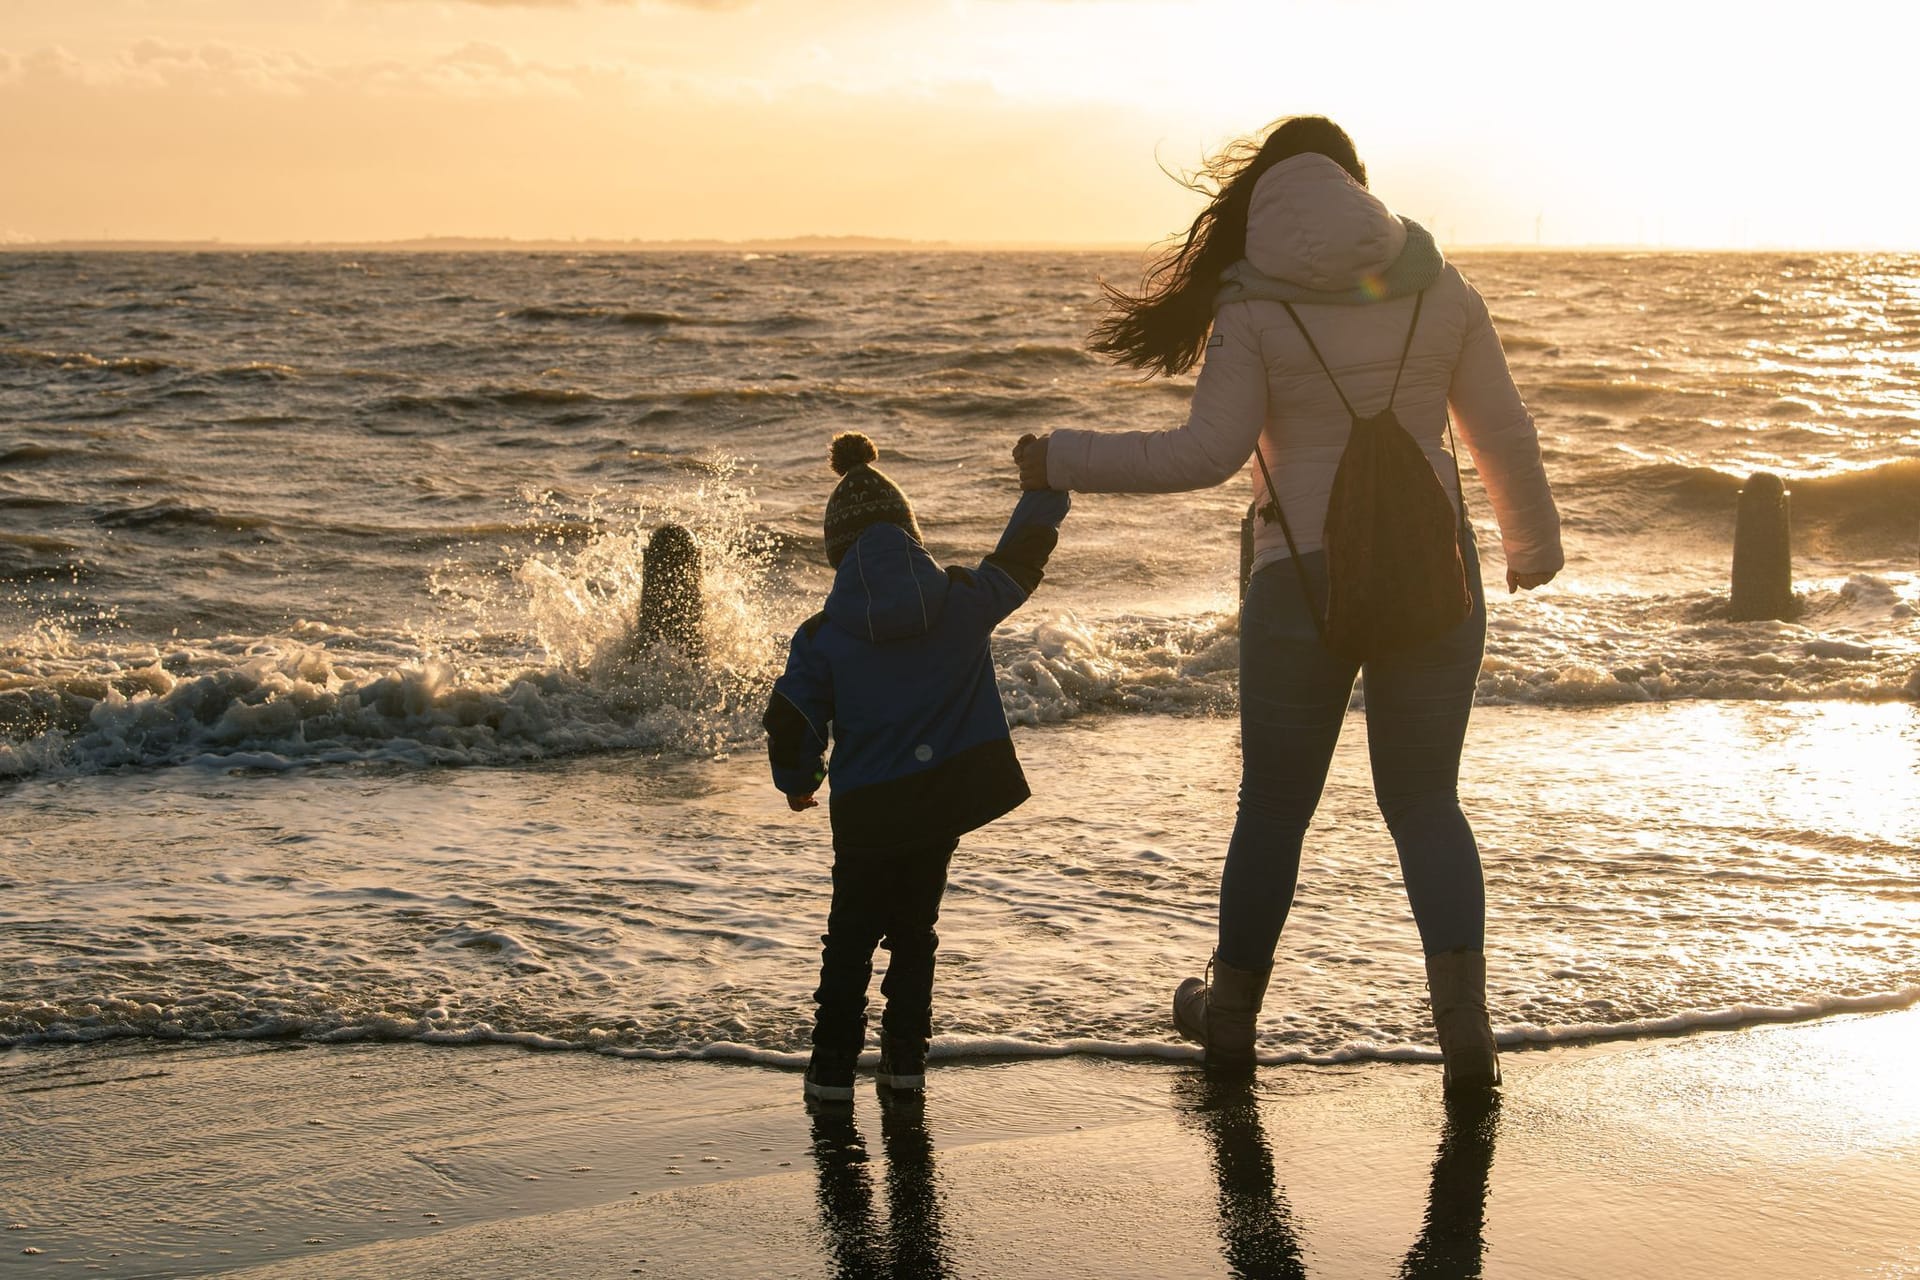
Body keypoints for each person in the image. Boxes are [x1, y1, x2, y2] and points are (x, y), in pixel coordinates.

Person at [1013, 115, 1562, 1090]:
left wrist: (1061, 457)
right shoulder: (1441, 283)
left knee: (1273, 810)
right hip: (1435, 582)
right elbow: (1502, 430)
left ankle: (1229, 1024)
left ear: (1265, 197)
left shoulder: (1253, 306)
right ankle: (1467, 1037)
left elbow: (1204, 455)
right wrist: (1531, 545)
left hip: (1296, 590)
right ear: (1358, 187)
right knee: (1427, 802)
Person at [766, 431, 1070, 1102]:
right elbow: (1020, 558)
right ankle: (905, 1062)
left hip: (867, 809)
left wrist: (799, 781)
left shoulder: (822, 635)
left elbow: (792, 716)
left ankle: (831, 1073)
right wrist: (1049, 485)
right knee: (915, 930)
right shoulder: (963, 601)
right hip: (940, 801)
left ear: (837, 554)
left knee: (850, 937)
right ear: (912, 534)